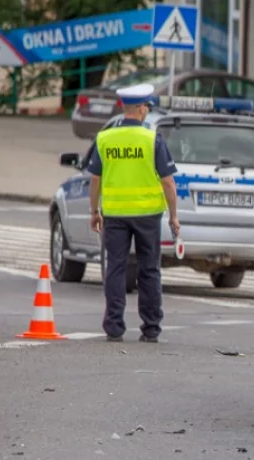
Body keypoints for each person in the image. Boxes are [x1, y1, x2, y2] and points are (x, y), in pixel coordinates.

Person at [87, 83, 180, 343]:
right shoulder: (152, 140)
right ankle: (151, 328)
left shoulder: (105, 139)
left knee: (115, 268)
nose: (147, 111)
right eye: (147, 107)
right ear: (139, 109)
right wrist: (173, 215)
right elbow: (168, 182)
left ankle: (114, 326)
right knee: (149, 270)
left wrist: (94, 211)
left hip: (115, 214)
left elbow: (95, 179)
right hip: (148, 214)